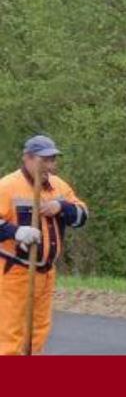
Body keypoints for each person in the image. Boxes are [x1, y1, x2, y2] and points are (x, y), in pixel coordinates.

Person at [0, 135, 88, 355]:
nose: (50, 165)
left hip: (46, 273)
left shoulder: (59, 186)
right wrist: (16, 231)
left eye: (53, 159)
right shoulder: (7, 186)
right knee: (10, 335)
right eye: (45, 159)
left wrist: (61, 206)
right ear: (27, 158)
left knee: (39, 332)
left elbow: (82, 215)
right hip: (15, 272)